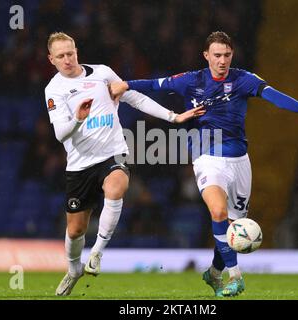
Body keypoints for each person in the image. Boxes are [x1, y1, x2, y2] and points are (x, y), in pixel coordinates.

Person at [110, 31, 298, 297]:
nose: (222, 60)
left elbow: (273, 95)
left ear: (232, 55)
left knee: (233, 230)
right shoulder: (192, 80)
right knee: (218, 212)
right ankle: (235, 277)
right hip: (207, 156)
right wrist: (126, 84)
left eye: (226, 55)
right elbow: (156, 84)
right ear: (206, 56)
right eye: (217, 55)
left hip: (239, 160)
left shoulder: (244, 79)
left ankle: (214, 273)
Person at [44, 32, 204, 296]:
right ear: (52, 59)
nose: (67, 59)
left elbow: (135, 97)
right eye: (60, 56)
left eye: (70, 53)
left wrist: (173, 117)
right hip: (80, 165)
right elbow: (61, 134)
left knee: (117, 187)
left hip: (112, 154)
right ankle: (73, 270)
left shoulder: (103, 74)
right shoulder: (54, 89)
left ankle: (97, 253)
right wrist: (78, 118)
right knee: (75, 230)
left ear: (77, 51)